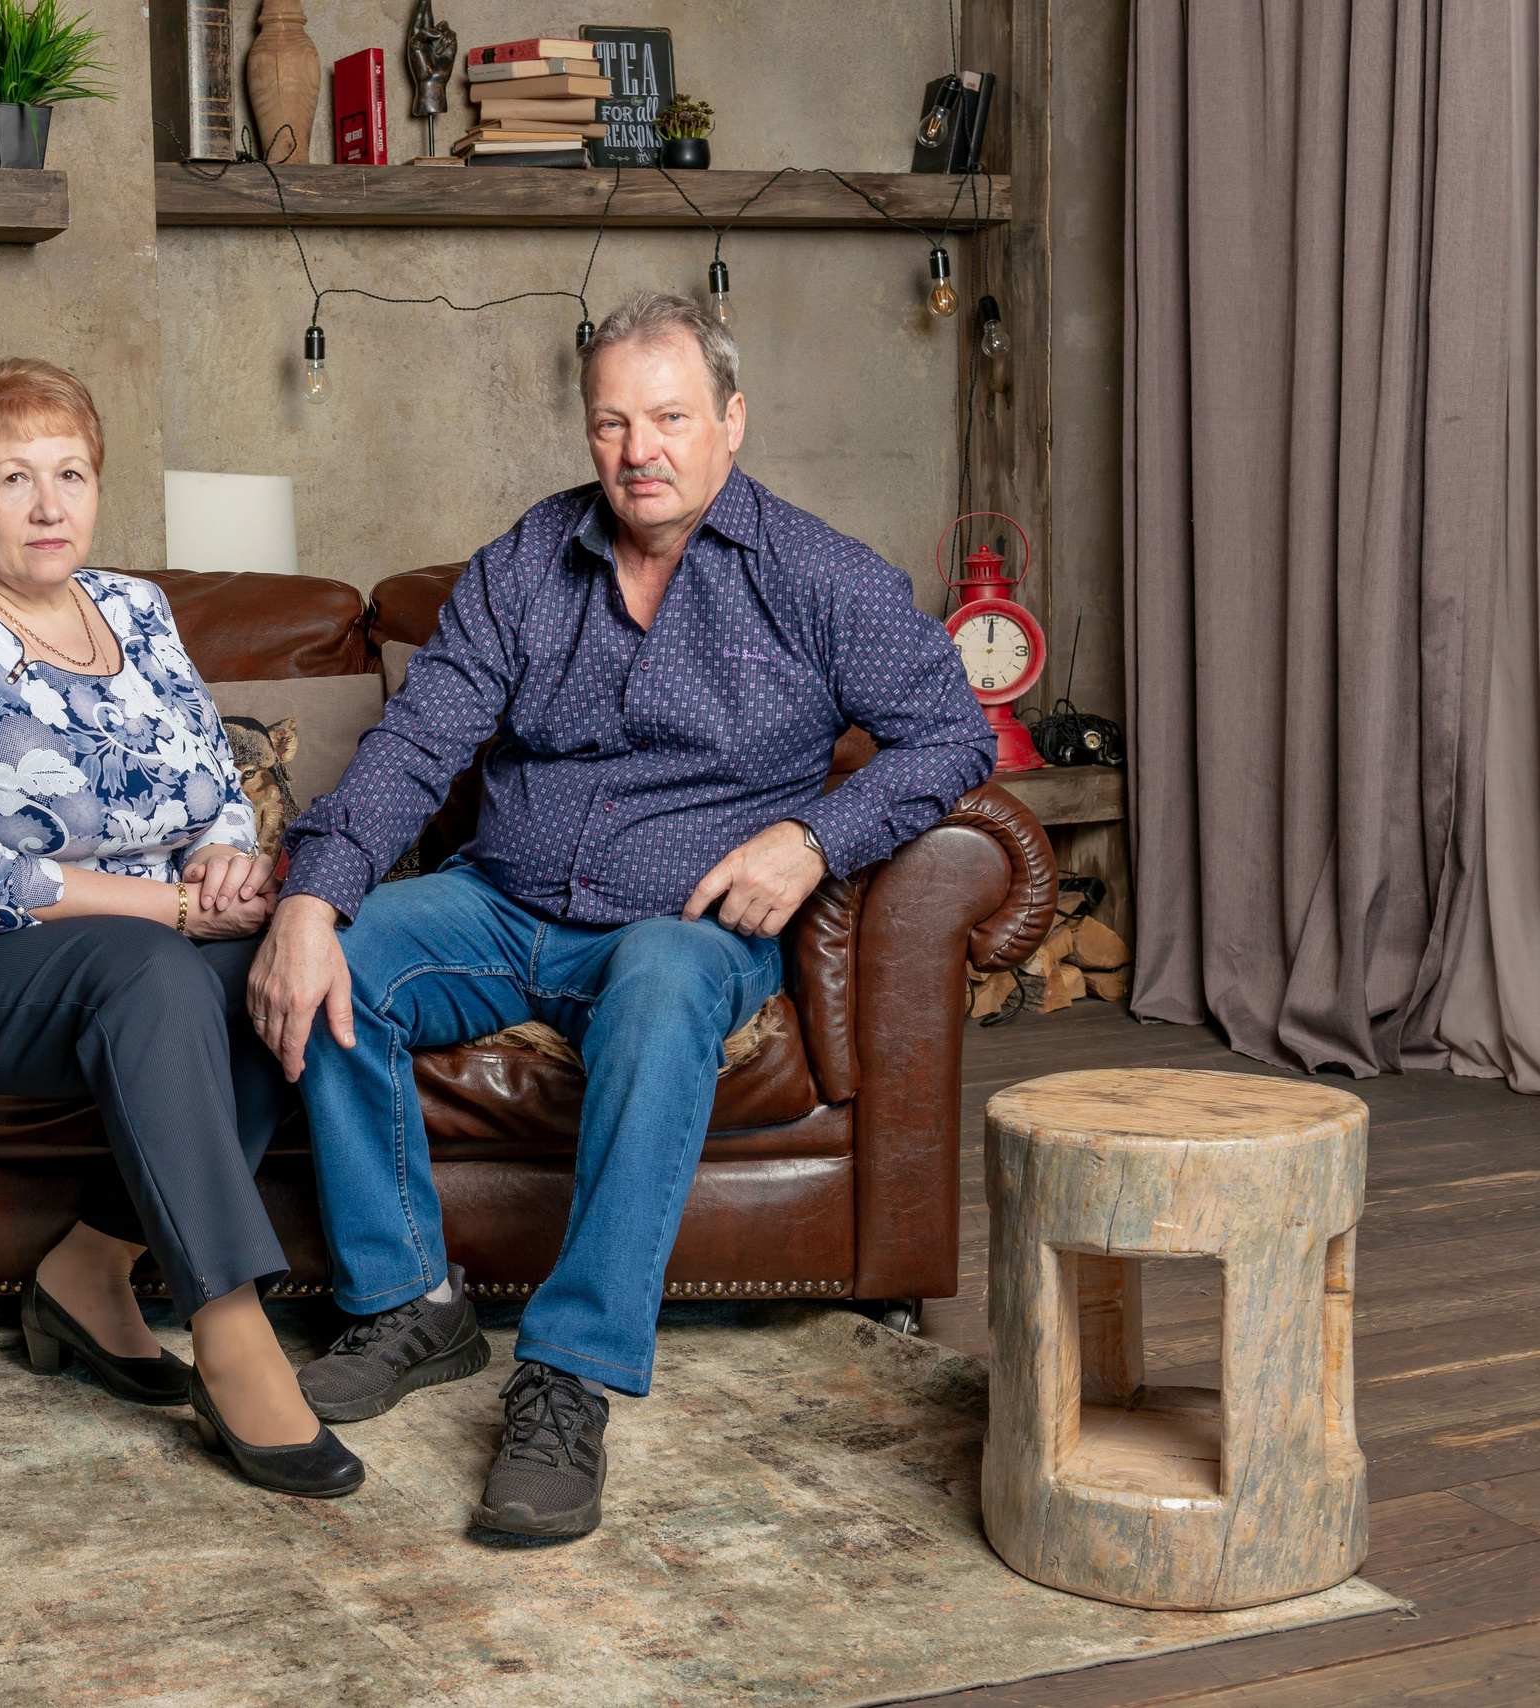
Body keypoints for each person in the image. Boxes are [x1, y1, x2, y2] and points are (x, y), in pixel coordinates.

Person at [248, 292, 994, 1537]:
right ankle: (410, 1304)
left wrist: (813, 837)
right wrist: (312, 897)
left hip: (682, 932)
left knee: (656, 980)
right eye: (610, 422)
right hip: (503, 900)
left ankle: (570, 1373)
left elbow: (951, 733)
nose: (638, 449)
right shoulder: (529, 561)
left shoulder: (817, 577)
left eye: (668, 416)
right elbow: (417, 743)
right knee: (349, 951)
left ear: (729, 422)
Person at [0, 357, 362, 1499]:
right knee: (156, 974)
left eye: (69, 473)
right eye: (11, 477)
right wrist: (170, 904)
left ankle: (88, 1267)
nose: (48, 504)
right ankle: (232, 1335)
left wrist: (221, 857)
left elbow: (214, 777)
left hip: (126, 946)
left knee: (276, 962)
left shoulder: (135, 608)